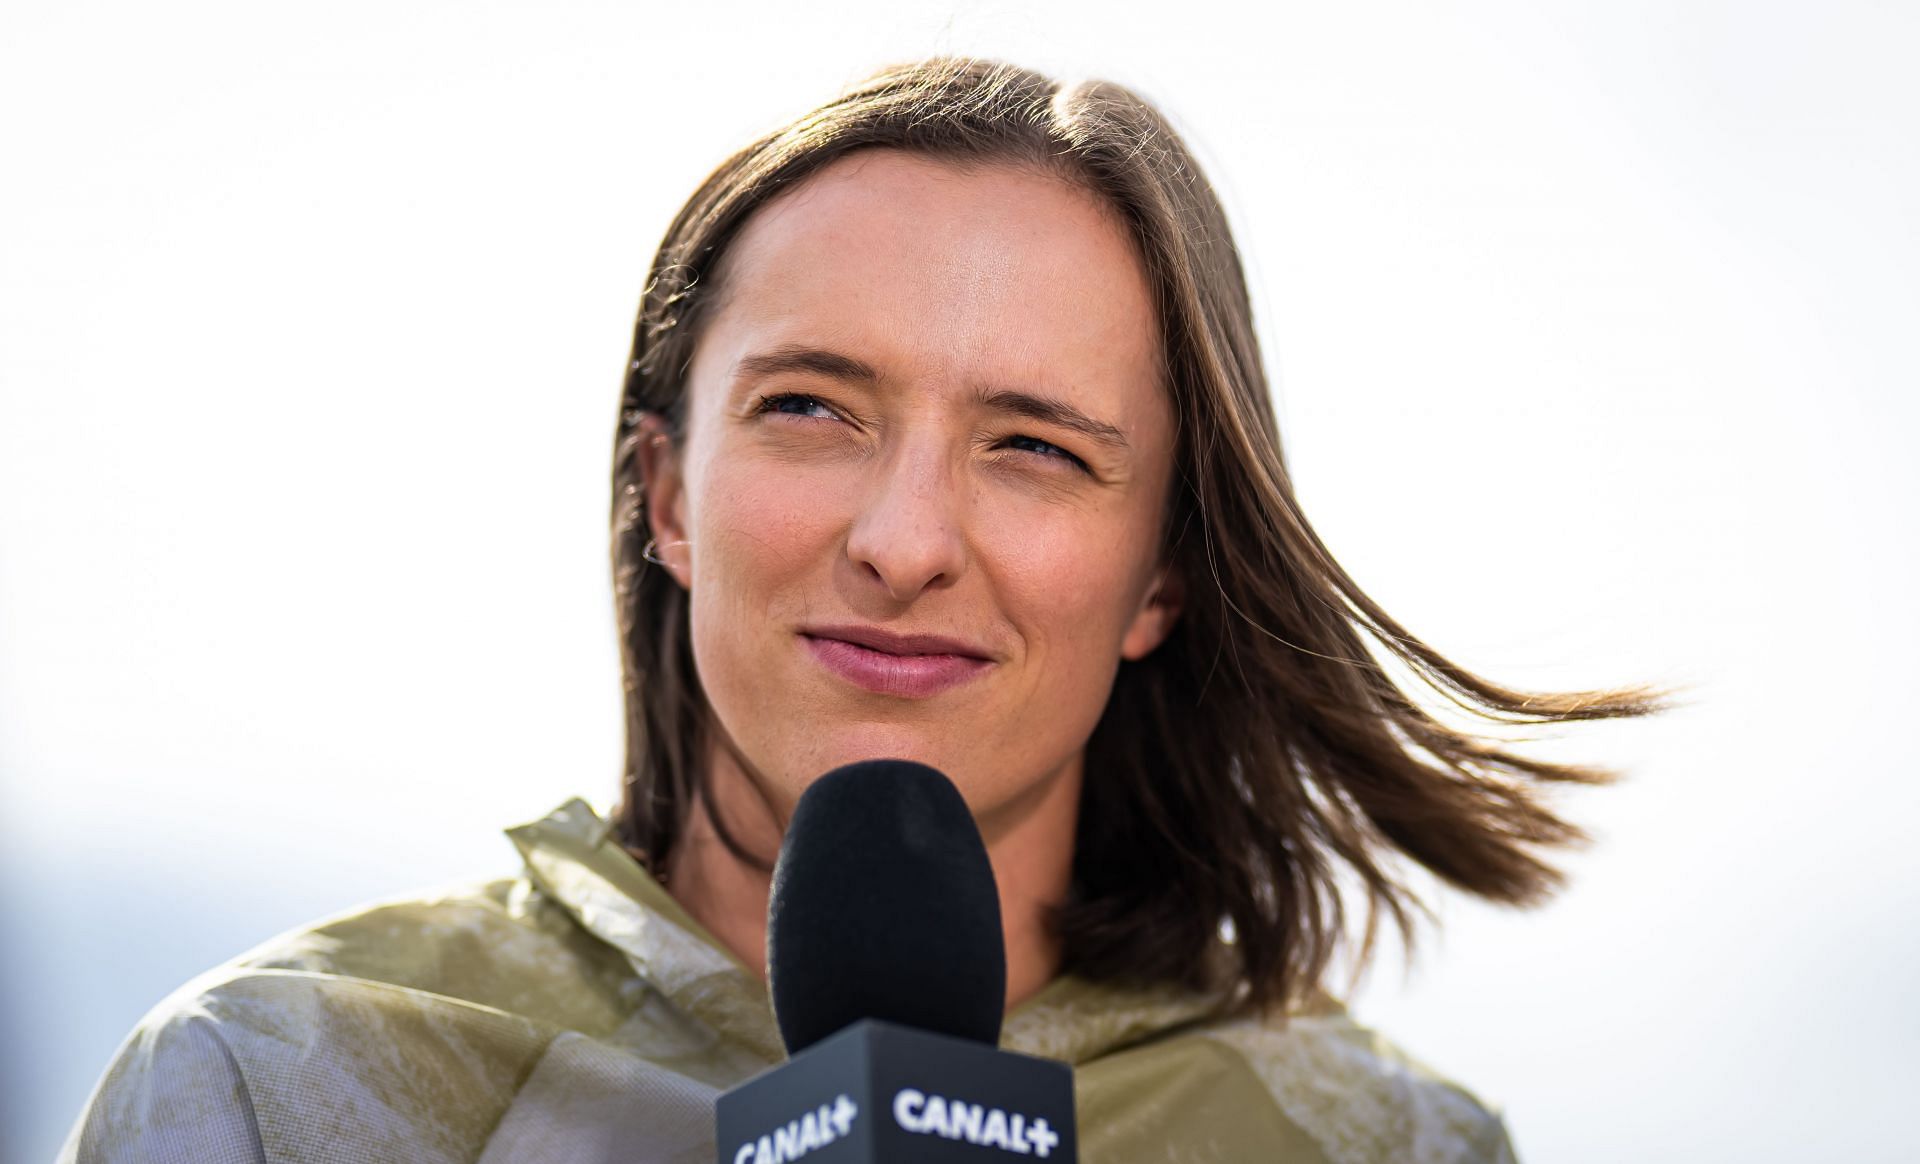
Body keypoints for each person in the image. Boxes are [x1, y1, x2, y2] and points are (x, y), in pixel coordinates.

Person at [60, 57, 1663, 1163]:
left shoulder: (1374, 1145)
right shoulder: (285, 1088)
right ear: (668, 495)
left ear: (1160, 575)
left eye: (1034, 448)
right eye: (814, 409)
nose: (904, 542)